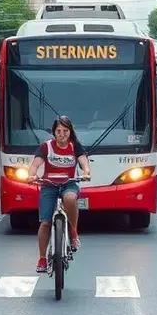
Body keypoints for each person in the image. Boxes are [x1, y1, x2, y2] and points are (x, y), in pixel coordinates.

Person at [26, 116, 91, 274]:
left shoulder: (75, 146)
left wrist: (86, 172)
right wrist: (32, 175)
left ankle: (73, 231)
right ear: (54, 132)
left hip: (69, 183)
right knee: (45, 223)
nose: (62, 134)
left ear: (70, 132)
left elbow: (83, 161)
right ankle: (42, 258)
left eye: (65, 131)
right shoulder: (46, 147)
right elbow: (35, 164)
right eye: (58, 131)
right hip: (49, 185)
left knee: (70, 198)